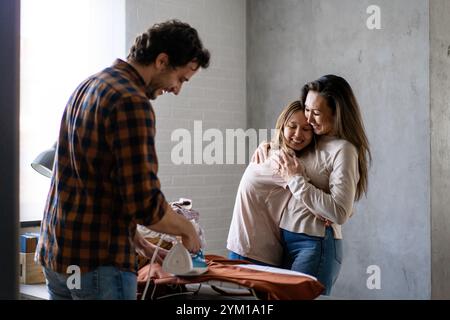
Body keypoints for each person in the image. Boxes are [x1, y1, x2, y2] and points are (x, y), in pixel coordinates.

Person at [35, 20, 210, 300]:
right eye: (181, 79)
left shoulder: (89, 85)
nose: (177, 90)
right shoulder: (131, 101)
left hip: (58, 255)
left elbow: (99, 188)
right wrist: (188, 230)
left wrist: (139, 243)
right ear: (162, 61)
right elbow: (144, 204)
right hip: (99, 264)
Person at [254, 74, 371, 295]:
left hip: (315, 244)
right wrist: (269, 146)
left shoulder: (343, 150)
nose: (308, 119)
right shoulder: (312, 139)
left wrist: (294, 180)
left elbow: (339, 212)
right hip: (284, 240)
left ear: (336, 112)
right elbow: (291, 145)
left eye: (316, 113)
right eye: (307, 109)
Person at [227, 100, 314, 266]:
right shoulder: (282, 161)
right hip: (252, 251)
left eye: (306, 129)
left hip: (247, 247)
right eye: (292, 126)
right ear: (282, 126)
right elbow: (316, 201)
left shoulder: (273, 151)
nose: (298, 134)